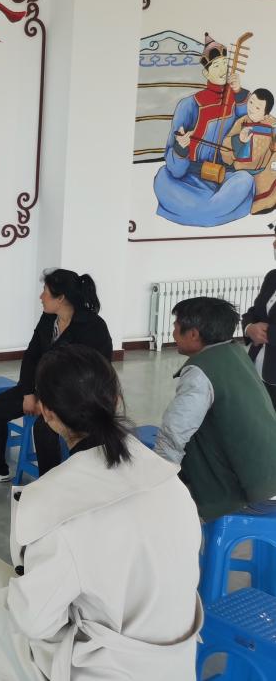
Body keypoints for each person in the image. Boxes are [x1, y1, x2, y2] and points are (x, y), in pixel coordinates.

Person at [0, 345, 202, 681]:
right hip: (175, 664)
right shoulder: (171, 482)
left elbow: (34, 621)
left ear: (47, 414)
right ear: (116, 400)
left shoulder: (60, 506)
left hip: (106, 670)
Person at [0, 269, 113, 485]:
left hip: (78, 398)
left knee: (44, 428)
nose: (41, 296)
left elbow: (91, 376)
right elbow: (31, 355)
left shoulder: (93, 327)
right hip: (43, 389)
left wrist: (47, 402)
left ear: (61, 298)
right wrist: (29, 392)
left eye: (45, 291)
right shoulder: (49, 318)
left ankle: (49, 486)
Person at [155, 297, 276, 520]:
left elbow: (174, 433)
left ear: (193, 334)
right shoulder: (236, 353)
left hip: (253, 494)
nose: (173, 333)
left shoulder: (200, 372)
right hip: (268, 478)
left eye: (176, 326)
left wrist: (156, 483)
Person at [153, 33, 256, 227]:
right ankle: (212, 211)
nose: (223, 70)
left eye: (225, 64)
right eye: (216, 66)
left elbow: (250, 122)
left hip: (223, 176)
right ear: (206, 74)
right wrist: (181, 148)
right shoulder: (188, 105)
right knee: (162, 178)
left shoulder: (238, 100)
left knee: (245, 180)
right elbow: (174, 167)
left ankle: (201, 212)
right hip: (188, 176)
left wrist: (238, 93)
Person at [220, 87, 276, 214]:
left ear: (266, 114)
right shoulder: (241, 122)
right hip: (240, 173)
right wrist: (239, 140)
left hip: (264, 173)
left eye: (257, 108)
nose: (251, 108)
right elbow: (225, 146)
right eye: (251, 102)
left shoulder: (273, 125)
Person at [244, 241, 276, 409]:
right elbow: (254, 311)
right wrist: (249, 328)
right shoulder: (272, 277)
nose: (274, 244)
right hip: (257, 369)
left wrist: (266, 333)